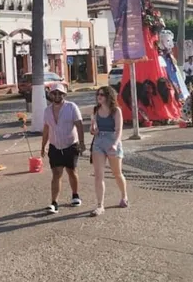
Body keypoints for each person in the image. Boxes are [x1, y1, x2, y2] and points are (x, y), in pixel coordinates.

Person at [40, 83, 85, 213]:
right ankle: (54, 203)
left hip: (71, 145)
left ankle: (75, 195)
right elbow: (46, 128)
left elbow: (79, 125)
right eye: (54, 93)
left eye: (60, 93)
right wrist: (43, 146)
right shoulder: (47, 111)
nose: (57, 96)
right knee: (56, 174)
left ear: (64, 95)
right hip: (55, 146)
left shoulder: (71, 107)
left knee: (72, 171)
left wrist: (81, 142)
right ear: (51, 95)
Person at [89, 87, 128, 216]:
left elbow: (119, 130)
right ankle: (100, 205)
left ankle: (124, 196)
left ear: (108, 96)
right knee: (98, 175)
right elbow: (93, 128)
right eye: (97, 94)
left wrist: (116, 144)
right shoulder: (96, 110)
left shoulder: (116, 111)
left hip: (112, 141)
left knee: (117, 173)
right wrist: (93, 129)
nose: (99, 97)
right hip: (99, 142)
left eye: (102, 94)